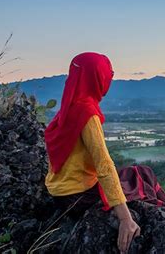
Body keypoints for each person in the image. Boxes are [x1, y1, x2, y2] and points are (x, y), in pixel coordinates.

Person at [44, 52, 140, 254]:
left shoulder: (68, 106)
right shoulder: (86, 113)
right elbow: (104, 165)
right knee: (140, 177)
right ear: (97, 78)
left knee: (128, 175)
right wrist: (125, 219)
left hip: (59, 193)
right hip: (77, 197)